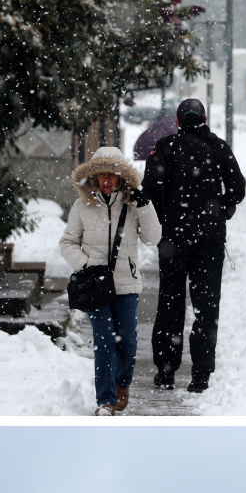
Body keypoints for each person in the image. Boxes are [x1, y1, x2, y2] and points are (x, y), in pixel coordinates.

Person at [142, 98, 246, 394]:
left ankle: (166, 371)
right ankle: (200, 374)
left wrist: (164, 221)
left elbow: (150, 192)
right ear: (204, 119)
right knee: (206, 308)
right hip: (210, 241)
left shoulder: (165, 148)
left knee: (170, 305)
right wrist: (223, 208)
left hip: (173, 241)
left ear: (178, 121)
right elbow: (238, 187)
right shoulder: (219, 148)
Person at [59, 146, 161, 415]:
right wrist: (85, 265)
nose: (106, 179)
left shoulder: (133, 205)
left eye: (113, 175)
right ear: (93, 176)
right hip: (96, 286)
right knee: (104, 340)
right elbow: (68, 242)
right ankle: (105, 399)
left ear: (121, 177)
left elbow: (153, 238)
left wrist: (145, 205)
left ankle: (122, 383)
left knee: (126, 340)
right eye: (101, 174)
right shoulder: (82, 207)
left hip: (127, 284)